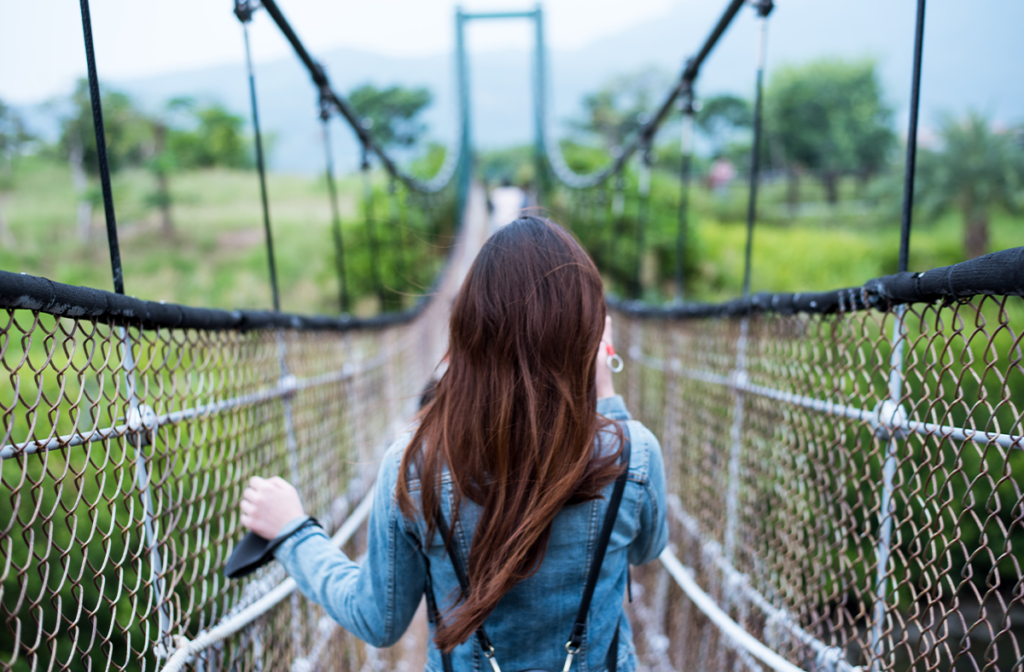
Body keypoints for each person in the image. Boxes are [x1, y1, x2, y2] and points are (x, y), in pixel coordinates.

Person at [240, 216, 668, 672]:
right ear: (589, 336)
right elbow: (644, 549)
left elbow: (378, 620)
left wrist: (293, 533)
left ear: (468, 330)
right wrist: (606, 398)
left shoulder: (412, 465)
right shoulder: (635, 455)